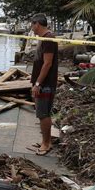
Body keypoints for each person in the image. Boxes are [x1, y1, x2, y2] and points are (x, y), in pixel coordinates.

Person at [30, 13, 58, 155]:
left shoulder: (48, 39)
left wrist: (38, 83)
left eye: (32, 24)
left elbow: (47, 64)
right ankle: (45, 141)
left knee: (43, 114)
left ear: (37, 24)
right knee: (43, 113)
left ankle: (46, 144)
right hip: (44, 83)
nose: (31, 28)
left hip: (45, 84)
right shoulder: (45, 38)